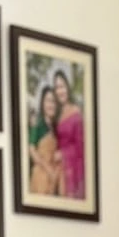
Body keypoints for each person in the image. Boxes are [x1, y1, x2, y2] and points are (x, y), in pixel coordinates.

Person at [53, 70, 85, 199]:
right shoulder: (56, 114)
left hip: (72, 169)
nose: (60, 91)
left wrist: (63, 154)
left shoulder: (76, 113)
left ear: (67, 88)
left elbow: (81, 147)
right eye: (57, 88)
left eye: (62, 86)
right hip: (57, 169)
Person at [29, 86, 62, 195]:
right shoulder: (38, 123)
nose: (51, 105)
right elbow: (32, 150)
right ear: (42, 103)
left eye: (53, 102)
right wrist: (47, 169)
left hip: (53, 176)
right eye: (48, 101)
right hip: (41, 174)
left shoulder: (55, 127)